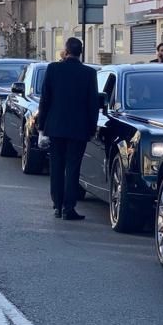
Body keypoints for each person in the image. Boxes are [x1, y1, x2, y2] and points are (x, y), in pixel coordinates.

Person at [38, 37, 99, 220]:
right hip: (78, 129)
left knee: (56, 166)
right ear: (81, 52)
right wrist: (92, 127)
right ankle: (68, 207)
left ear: (66, 51)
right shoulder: (89, 73)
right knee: (73, 167)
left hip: (55, 126)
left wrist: (42, 126)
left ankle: (57, 204)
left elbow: (45, 99)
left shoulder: (53, 69)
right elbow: (93, 104)